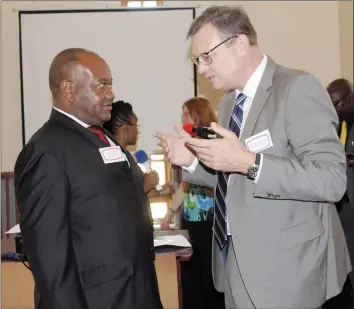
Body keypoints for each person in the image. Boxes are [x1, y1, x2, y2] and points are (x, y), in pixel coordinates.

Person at [153, 5, 351, 309]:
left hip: (288, 271)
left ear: (241, 44)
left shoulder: (296, 88)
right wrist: (191, 162)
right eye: (197, 60)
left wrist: (250, 161)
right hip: (234, 262)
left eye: (207, 57)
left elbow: (331, 179)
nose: (202, 68)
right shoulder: (228, 103)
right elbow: (234, 179)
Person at [14, 48, 163, 309]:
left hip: (136, 292)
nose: (110, 94)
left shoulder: (102, 139)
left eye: (110, 84)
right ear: (69, 90)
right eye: (101, 85)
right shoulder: (46, 151)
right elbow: (51, 262)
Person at [160, 97, 224, 309]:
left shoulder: (214, 140)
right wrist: (170, 213)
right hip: (191, 220)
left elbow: (221, 181)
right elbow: (185, 185)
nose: (182, 118)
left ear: (198, 114)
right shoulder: (186, 142)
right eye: (182, 114)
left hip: (212, 221)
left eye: (186, 113)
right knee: (190, 276)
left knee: (210, 275)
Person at [323, 78, 354, 309]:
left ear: (350, 97)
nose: (333, 109)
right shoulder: (337, 125)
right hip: (343, 207)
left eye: (336, 103)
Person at [102, 100, 173, 199]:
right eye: (136, 125)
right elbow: (116, 198)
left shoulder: (126, 155)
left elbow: (136, 196)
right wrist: (145, 185)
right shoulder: (111, 158)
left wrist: (159, 192)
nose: (138, 131)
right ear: (125, 129)